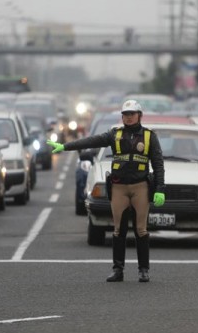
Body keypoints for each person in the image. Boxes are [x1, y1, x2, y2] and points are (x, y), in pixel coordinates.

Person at [47, 99, 165, 283]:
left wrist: (160, 189)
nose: (128, 118)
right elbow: (92, 141)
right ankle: (118, 269)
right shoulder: (114, 134)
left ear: (139, 115)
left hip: (140, 187)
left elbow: (158, 164)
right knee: (118, 229)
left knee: (141, 229)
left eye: (132, 114)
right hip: (119, 188)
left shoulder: (150, 137)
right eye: (125, 115)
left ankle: (144, 270)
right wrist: (65, 146)